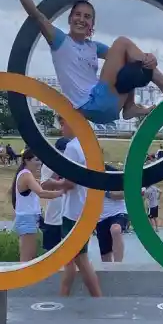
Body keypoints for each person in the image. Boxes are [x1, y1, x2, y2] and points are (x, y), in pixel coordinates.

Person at [0, 0, 163, 123]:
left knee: (130, 59)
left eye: (87, 17)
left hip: (108, 107)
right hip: (91, 103)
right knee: (123, 42)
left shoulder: (94, 47)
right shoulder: (59, 41)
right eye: (78, 15)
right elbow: (36, 15)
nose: (81, 19)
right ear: (70, 18)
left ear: (92, 25)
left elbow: (130, 58)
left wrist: (149, 60)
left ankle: (130, 107)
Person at [53, 117, 102, 297]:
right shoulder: (87, 145)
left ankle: (98, 297)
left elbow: (70, 182)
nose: (61, 129)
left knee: (80, 259)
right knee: (70, 258)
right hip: (84, 205)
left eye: (63, 124)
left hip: (73, 211)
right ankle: (63, 294)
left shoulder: (72, 147)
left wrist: (51, 184)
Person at [11, 148, 64, 264]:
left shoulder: (27, 175)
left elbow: (43, 186)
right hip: (27, 219)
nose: (40, 163)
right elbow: (41, 193)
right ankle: (23, 282)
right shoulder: (26, 175)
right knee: (27, 260)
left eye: (41, 160)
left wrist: (58, 178)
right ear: (26, 160)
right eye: (36, 160)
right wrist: (61, 193)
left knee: (30, 257)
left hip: (30, 218)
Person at [39, 137, 70, 252]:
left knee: (71, 253)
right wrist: (61, 182)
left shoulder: (75, 164)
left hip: (71, 215)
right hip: (54, 216)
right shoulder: (49, 164)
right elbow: (44, 185)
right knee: (51, 252)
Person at [96, 164, 128, 262]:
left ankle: (118, 265)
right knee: (105, 256)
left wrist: (106, 192)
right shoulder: (92, 178)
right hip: (101, 217)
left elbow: (123, 194)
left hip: (118, 212)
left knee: (115, 230)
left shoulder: (114, 176)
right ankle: (108, 271)